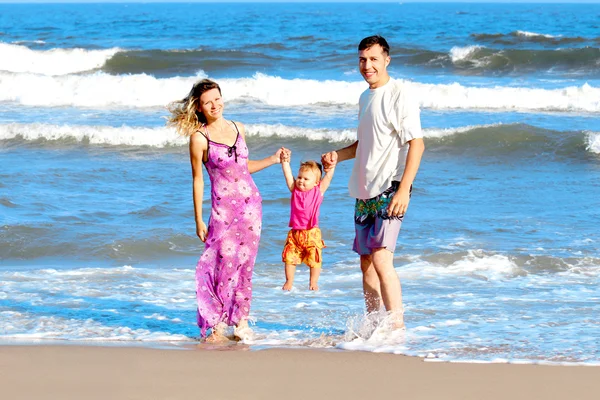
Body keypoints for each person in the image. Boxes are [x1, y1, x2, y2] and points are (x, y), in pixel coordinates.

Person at [167, 79, 287, 343]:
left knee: (246, 266)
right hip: (222, 212)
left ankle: (241, 323)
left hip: (251, 208)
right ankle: (217, 325)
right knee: (222, 265)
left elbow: (243, 169)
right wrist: (199, 218)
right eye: (208, 102)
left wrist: (273, 159)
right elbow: (198, 179)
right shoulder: (199, 138)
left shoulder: (238, 127)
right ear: (199, 107)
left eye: (217, 99)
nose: (215, 105)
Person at [321, 35, 425, 329]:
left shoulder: (399, 93)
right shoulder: (365, 97)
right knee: (366, 262)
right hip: (365, 190)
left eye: (374, 59)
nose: (367, 65)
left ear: (387, 60)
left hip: (391, 187)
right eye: (362, 60)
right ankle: (374, 326)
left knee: (381, 258)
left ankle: (397, 328)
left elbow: (417, 143)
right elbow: (363, 144)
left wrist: (403, 189)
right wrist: (337, 155)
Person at [280, 151, 335, 291]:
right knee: (289, 257)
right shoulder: (295, 190)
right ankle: (289, 281)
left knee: (315, 259)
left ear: (316, 182)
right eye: (299, 177)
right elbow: (288, 176)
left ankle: (313, 282)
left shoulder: (318, 191)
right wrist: (285, 162)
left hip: (311, 233)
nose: (301, 181)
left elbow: (328, 178)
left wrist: (331, 167)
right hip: (295, 233)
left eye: (306, 179)